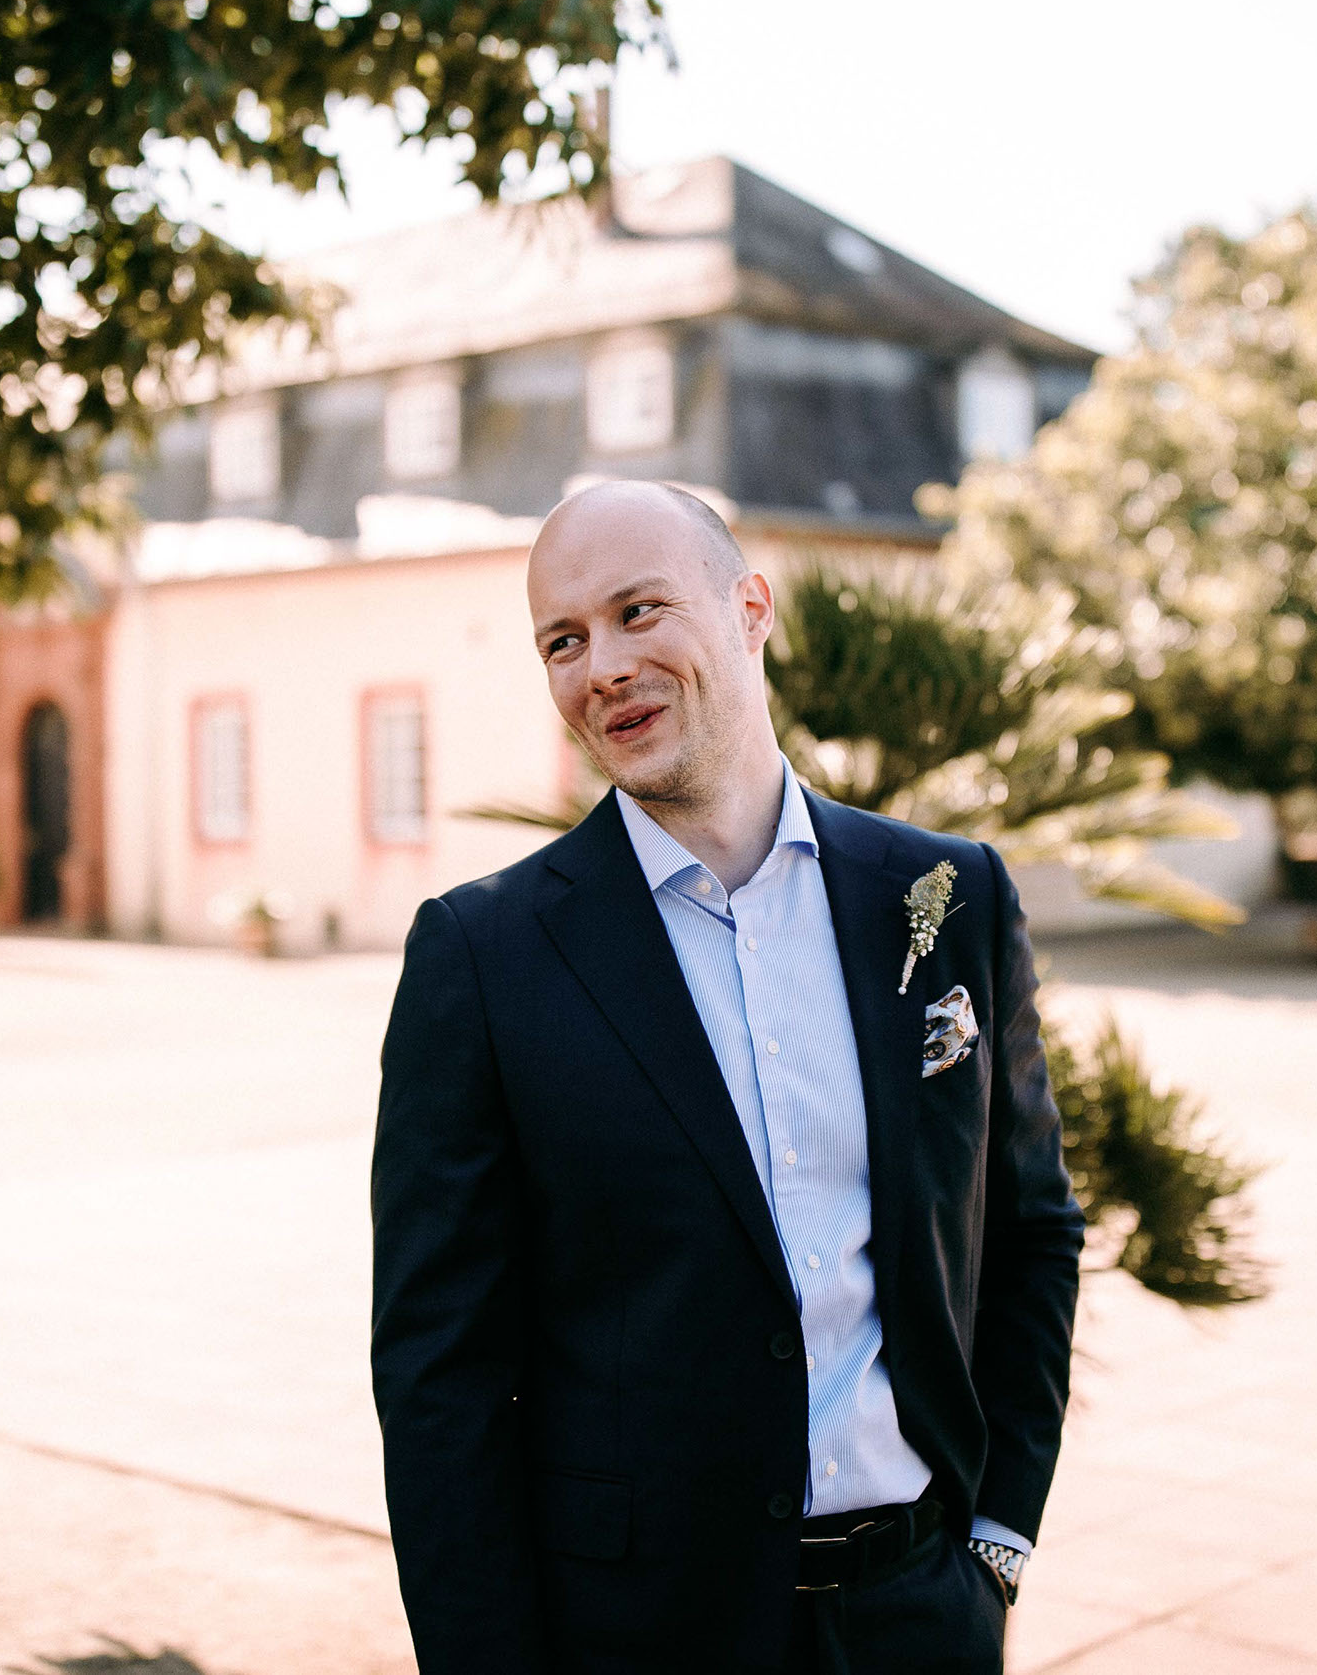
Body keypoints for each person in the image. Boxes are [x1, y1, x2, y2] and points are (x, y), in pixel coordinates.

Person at [370, 480, 1085, 1674]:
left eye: (638, 610)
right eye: (564, 638)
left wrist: (998, 1539)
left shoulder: (946, 896)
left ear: (750, 607)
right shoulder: (481, 957)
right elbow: (439, 1372)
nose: (601, 664)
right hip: (638, 1638)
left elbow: (1030, 1228)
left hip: (922, 1615)